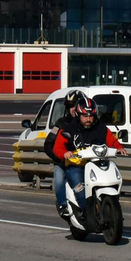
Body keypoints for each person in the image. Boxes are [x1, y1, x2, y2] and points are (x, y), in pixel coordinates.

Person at [49, 94, 125, 225]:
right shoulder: (68, 128)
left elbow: (111, 140)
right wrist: (65, 153)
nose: (88, 119)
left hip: (96, 162)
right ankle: (84, 209)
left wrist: (119, 148)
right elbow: (57, 147)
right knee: (76, 180)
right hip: (76, 165)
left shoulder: (100, 127)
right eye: (85, 116)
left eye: (91, 116)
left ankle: (112, 207)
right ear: (78, 115)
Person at [43, 89, 87, 217]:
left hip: (87, 160)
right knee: (58, 175)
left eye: (75, 105)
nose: (73, 109)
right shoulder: (61, 123)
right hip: (66, 162)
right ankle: (62, 205)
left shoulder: (89, 121)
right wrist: (60, 157)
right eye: (70, 106)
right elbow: (48, 144)